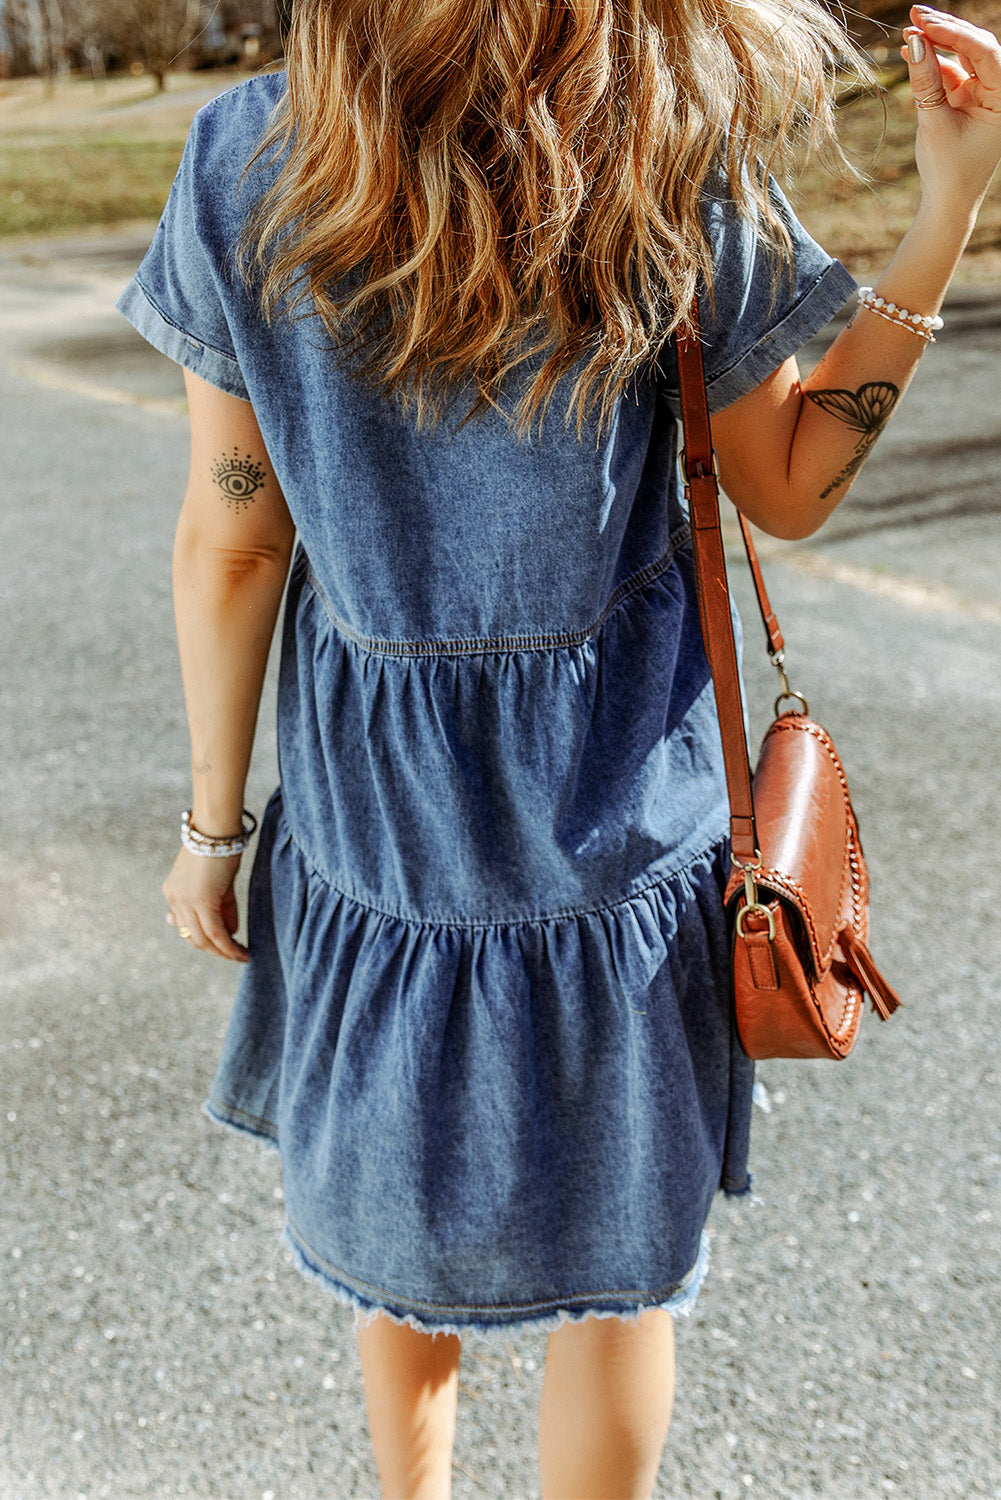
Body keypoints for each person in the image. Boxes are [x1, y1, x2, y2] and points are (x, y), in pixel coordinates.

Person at [117, 2, 1001, 1495]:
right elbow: (785, 488)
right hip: (618, 812)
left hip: (376, 820)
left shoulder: (245, 159)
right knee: (617, 1270)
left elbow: (234, 541)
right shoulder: (665, 140)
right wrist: (949, 205)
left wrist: (215, 831)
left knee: (396, 1238)